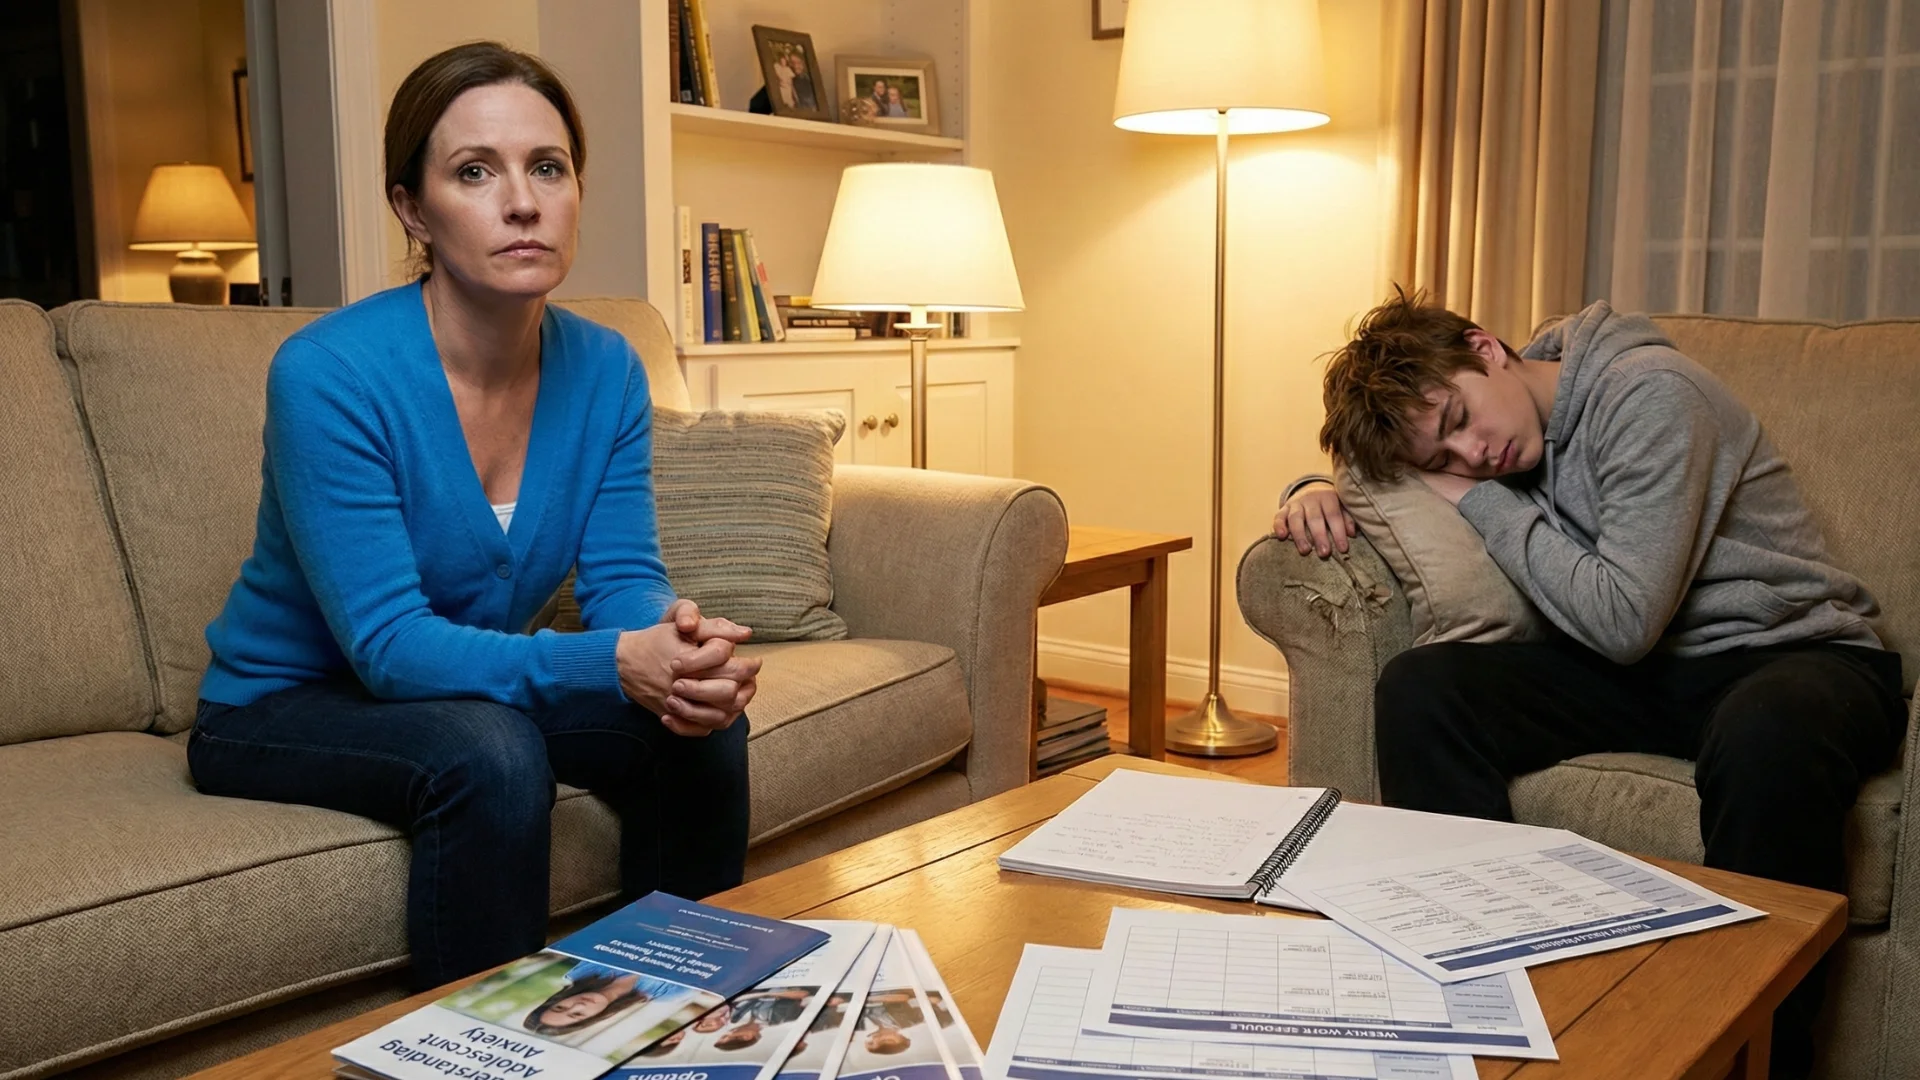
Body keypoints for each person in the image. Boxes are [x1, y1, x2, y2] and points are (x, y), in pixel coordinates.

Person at [187, 41, 761, 992]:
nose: (523, 201)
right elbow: (388, 646)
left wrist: (674, 645)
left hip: (456, 685)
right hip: (283, 706)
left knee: (696, 725)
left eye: (548, 167)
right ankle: (493, 1047)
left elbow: (622, 578)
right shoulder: (329, 374)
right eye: (474, 172)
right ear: (412, 209)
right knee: (492, 752)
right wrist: (614, 661)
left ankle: (684, 1011)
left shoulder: (608, 368)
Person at [1274, 287, 1906, 1079]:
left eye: (1461, 421)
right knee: (1422, 688)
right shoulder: (1506, 433)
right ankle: (1482, 994)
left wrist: (1480, 501)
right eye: (1442, 461)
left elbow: (1622, 620)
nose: (1472, 456)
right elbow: (1393, 472)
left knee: (1767, 732)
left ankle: (1755, 1060)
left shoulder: (1649, 394)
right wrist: (1313, 490)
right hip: (1649, 677)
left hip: (1796, 655)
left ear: (1486, 349)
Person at [523, 961, 650, 1038]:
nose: (579, 1005)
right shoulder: (654, 995)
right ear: (593, 1018)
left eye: (560, 1007)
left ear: (557, 1000)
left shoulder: (580, 969)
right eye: (577, 1014)